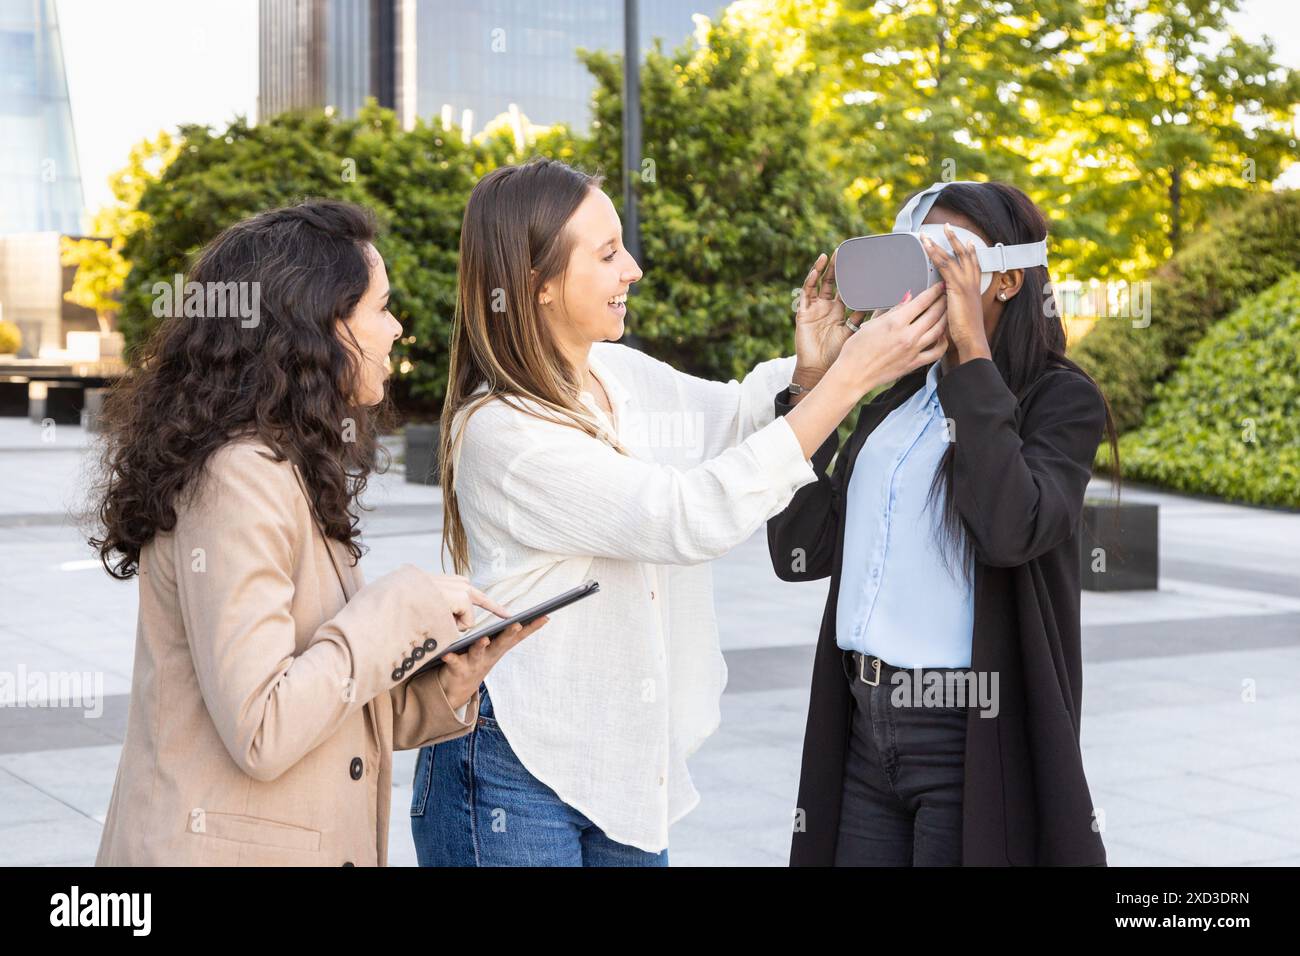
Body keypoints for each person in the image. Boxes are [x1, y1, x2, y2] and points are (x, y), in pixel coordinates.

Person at [409, 157, 950, 866]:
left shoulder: (617, 374)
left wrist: (813, 370)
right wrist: (848, 385)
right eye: (606, 254)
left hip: (626, 766)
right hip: (515, 763)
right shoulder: (501, 433)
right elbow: (683, 518)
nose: (632, 268)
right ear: (536, 286)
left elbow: (730, 418)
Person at [89, 199, 545, 866]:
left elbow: (327, 705)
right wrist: (398, 605)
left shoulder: (284, 466)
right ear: (320, 325)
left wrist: (444, 687)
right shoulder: (239, 478)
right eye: (381, 308)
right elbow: (264, 728)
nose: (396, 330)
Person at [768, 180, 1120, 866]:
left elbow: (1009, 528)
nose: (930, 279)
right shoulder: (891, 402)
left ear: (1008, 280)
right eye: (918, 260)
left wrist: (968, 355)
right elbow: (799, 551)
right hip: (863, 726)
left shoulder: (1058, 400)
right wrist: (815, 381)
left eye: (949, 259)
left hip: (966, 733)